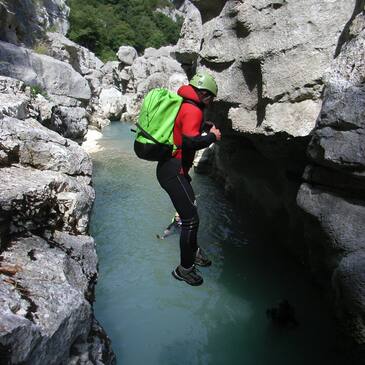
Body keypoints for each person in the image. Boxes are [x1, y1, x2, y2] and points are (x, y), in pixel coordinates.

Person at [156, 71, 222, 286]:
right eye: (211, 97)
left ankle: (194, 253)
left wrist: (204, 127)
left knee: (191, 213)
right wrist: (213, 136)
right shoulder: (192, 109)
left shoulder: (184, 104)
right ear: (203, 94)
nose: (211, 102)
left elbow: (182, 130)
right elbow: (190, 143)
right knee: (190, 221)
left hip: (173, 169)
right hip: (173, 172)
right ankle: (184, 269)